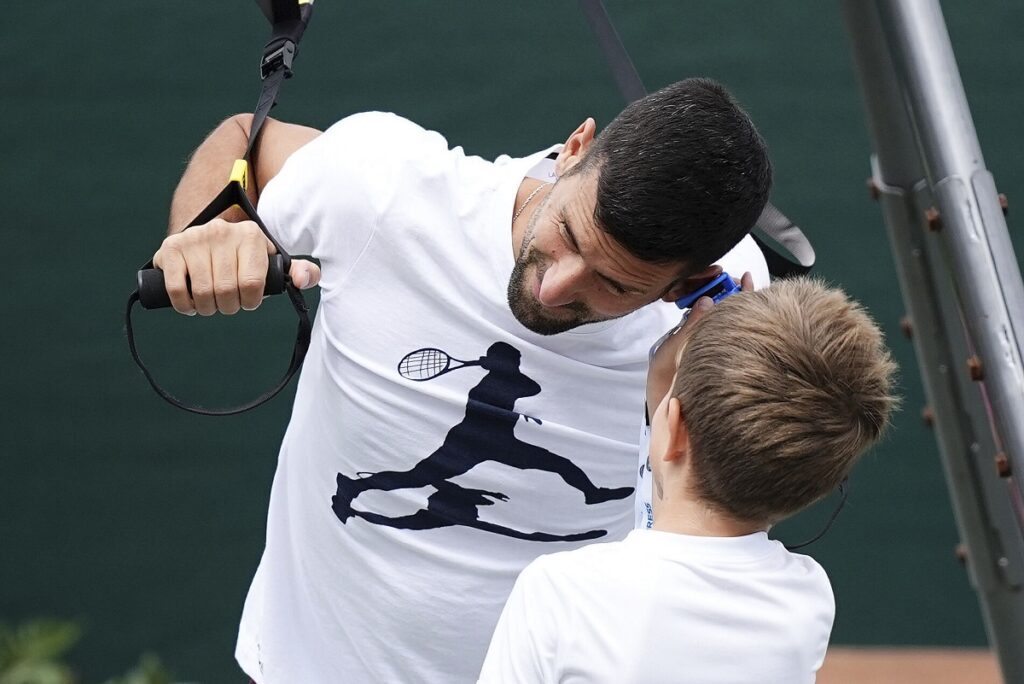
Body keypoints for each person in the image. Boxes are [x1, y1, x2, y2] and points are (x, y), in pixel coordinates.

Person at [154, 78, 773, 682]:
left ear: (685, 286)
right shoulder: (381, 187)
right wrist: (206, 231)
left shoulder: (722, 319)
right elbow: (248, 141)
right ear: (574, 151)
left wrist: (693, 399)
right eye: (569, 236)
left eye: (613, 285)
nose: (555, 288)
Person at [477, 278, 898, 684]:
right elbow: (668, 551)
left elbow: (657, 559)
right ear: (819, 486)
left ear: (674, 427)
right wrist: (667, 384)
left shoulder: (559, 592)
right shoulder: (807, 598)